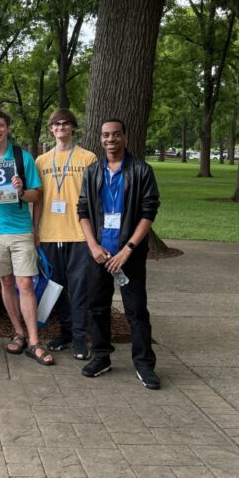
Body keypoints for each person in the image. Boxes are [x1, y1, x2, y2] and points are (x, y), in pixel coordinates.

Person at [77, 118, 161, 390]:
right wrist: (92, 245)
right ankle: (102, 357)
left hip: (129, 255)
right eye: (105, 135)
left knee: (136, 311)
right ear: (100, 139)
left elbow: (148, 213)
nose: (110, 139)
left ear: (125, 136)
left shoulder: (141, 170)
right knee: (98, 308)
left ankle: (144, 365)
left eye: (115, 135)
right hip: (99, 253)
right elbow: (83, 211)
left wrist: (128, 249)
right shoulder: (92, 172)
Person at [0, 108, 54, 365]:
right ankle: (18, 332)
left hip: (20, 230)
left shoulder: (22, 157)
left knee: (25, 284)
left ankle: (35, 341)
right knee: (6, 283)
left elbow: (36, 195)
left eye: (1, 125)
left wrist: (21, 190)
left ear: (7, 128)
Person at [34, 108, 97, 360]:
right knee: (56, 287)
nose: (60, 128)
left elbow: (93, 198)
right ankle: (66, 332)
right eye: (56, 124)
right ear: (51, 129)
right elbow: (37, 200)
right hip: (49, 233)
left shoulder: (87, 158)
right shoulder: (41, 161)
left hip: (79, 234)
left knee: (79, 287)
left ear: (72, 128)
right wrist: (34, 230)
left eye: (65, 124)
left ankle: (81, 339)